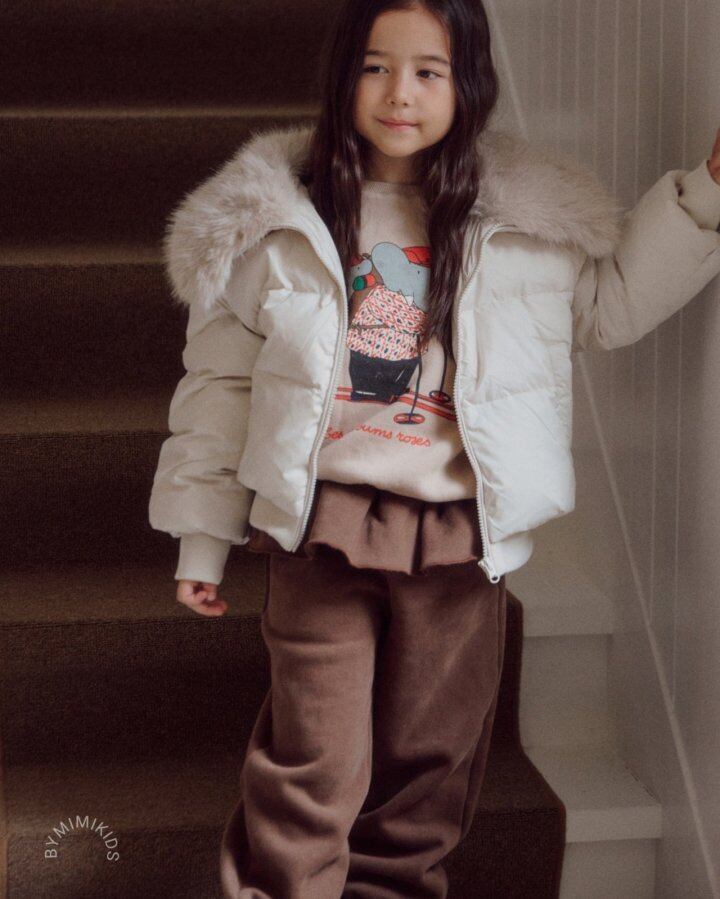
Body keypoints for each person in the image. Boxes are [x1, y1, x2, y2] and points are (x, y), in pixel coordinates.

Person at [148, 1, 720, 896]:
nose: (399, 94)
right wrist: (200, 536)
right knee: (314, 760)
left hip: (459, 536)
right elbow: (218, 390)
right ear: (343, 74)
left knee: (430, 766)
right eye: (375, 67)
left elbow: (608, 305)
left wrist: (705, 196)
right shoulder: (274, 218)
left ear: (468, 84)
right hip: (322, 529)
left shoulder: (526, 219)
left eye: (428, 71)